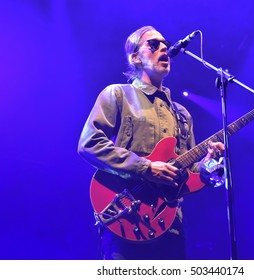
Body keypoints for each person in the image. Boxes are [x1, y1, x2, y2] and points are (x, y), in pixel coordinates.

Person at [78, 26, 224, 260]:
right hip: (125, 215)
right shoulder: (117, 94)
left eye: (165, 44)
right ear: (135, 57)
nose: (164, 48)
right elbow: (89, 143)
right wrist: (145, 167)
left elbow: (190, 175)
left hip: (169, 224)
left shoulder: (182, 114)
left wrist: (208, 167)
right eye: (153, 45)